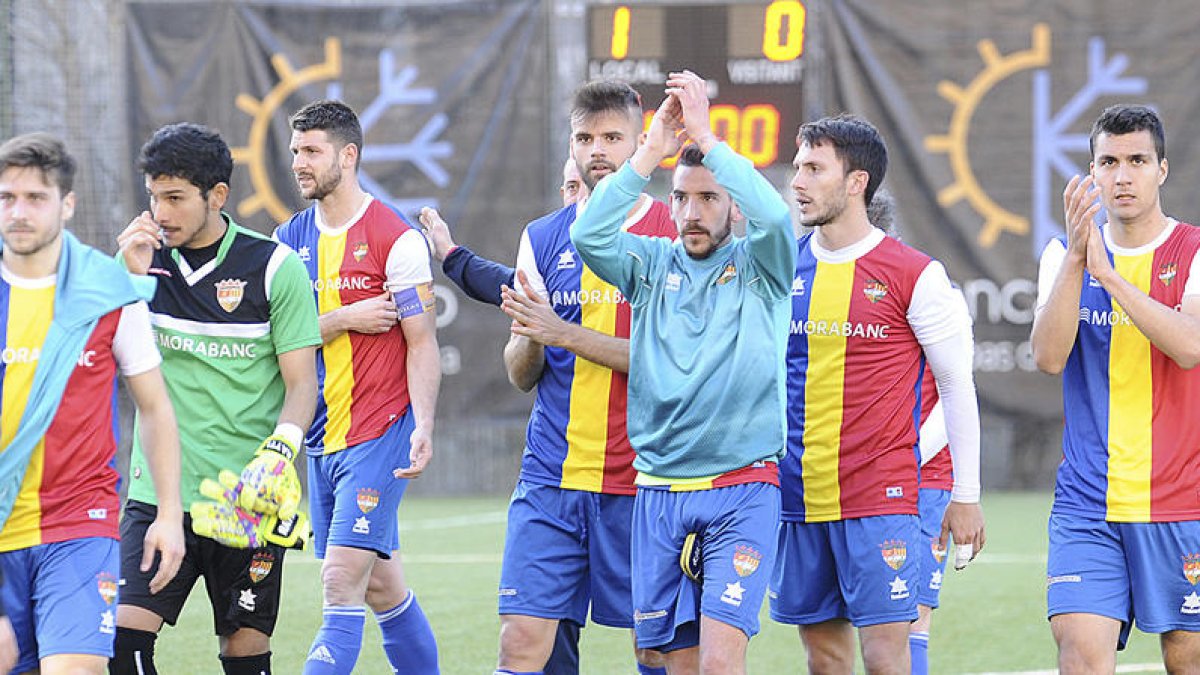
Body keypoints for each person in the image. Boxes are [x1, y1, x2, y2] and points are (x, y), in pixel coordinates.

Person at [572, 70, 796, 675]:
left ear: (733, 205)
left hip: (741, 488)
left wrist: (708, 136)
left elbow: (777, 220)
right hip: (659, 489)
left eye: (708, 198)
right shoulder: (649, 263)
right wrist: (651, 149)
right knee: (665, 660)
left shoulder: (762, 266)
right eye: (681, 198)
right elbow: (588, 233)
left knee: (721, 663)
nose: (691, 213)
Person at [769, 114, 985, 675]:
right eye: (798, 167)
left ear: (856, 181)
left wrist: (965, 493)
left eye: (815, 168)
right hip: (797, 496)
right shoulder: (782, 267)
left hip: (881, 498)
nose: (798, 181)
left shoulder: (915, 274)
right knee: (824, 658)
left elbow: (958, 386)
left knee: (888, 657)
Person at [110, 123, 321, 675]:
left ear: (217, 196)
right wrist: (125, 282)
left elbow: (303, 385)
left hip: (246, 502)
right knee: (122, 645)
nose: (160, 212)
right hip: (157, 495)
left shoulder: (275, 268)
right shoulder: (137, 263)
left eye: (175, 198)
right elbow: (96, 360)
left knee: (243, 652)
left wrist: (279, 453)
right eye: (154, 197)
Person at [492, 79, 676, 675]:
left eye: (612, 137)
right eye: (584, 137)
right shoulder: (542, 237)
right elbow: (521, 374)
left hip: (646, 481)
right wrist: (527, 336)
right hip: (553, 476)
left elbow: (671, 364)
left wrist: (559, 331)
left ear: (640, 141)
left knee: (654, 649)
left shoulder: (672, 236)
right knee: (522, 644)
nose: (597, 149)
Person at [0, 133, 185, 674]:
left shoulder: (108, 293)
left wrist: (169, 514)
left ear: (67, 204)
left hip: (80, 524)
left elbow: (155, 407)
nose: (19, 211)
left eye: (35, 198)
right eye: (7, 197)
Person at [272, 99, 441, 675]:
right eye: (296, 150)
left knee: (341, 579)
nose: (299, 162)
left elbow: (422, 343)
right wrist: (342, 318)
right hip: (319, 440)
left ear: (348, 155)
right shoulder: (285, 240)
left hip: (379, 432)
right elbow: (273, 341)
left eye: (311, 151)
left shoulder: (395, 236)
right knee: (382, 585)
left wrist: (424, 425)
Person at [1030, 104, 1200, 673]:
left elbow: (1189, 346)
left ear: (1162, 170)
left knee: (1187, 661)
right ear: (1092, 172)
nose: (1122, 175)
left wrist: (1110, 276)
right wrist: (1080, 260)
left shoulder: (1193, 252)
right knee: (1080, 656)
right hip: (1087, 502)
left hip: (1180, 501)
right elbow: (1049, 357)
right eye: (1108, 161)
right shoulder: (1064, 255)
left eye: (1136, 161)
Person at [422, 158, 587, 306]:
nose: (582, 198)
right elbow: (512, 287)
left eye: (590, 187)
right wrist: (450, 254)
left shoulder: (611, 249)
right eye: (572, 187)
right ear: (562, 193)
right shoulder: (542, 238)